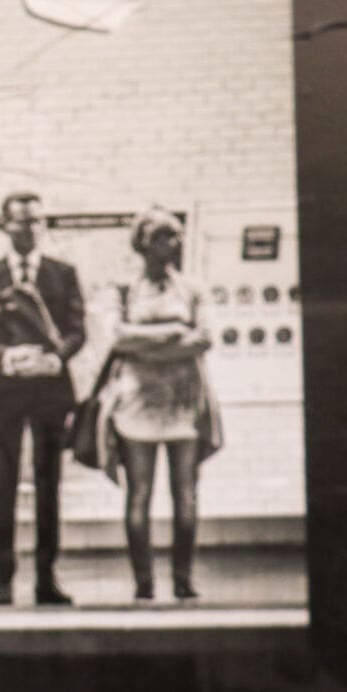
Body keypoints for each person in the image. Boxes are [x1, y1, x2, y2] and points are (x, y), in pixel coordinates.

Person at [0, 192, 86, 607]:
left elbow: (76, 328)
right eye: (20, 222)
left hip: (50, 391)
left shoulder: (62, 273)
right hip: (6, 392)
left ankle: (47, 578)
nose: (29, 229)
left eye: (36, 221)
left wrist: (56, 357)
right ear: (5, 226)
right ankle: (3, 579)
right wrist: (4, 357)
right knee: (4, 485)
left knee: (49, 485)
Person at [102, 206, 222, 601]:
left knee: (185, 493)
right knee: (139, 493)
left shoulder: (192, 288)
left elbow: (204, 337)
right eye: (164, 237)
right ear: (143, 244)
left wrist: (145, 344)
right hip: (136, 403)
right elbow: (116, 338)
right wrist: (172, 333)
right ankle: (144, 582)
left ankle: (184, 579)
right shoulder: (123, 288)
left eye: (175, 236)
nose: (173, 244)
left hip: (183, 402)